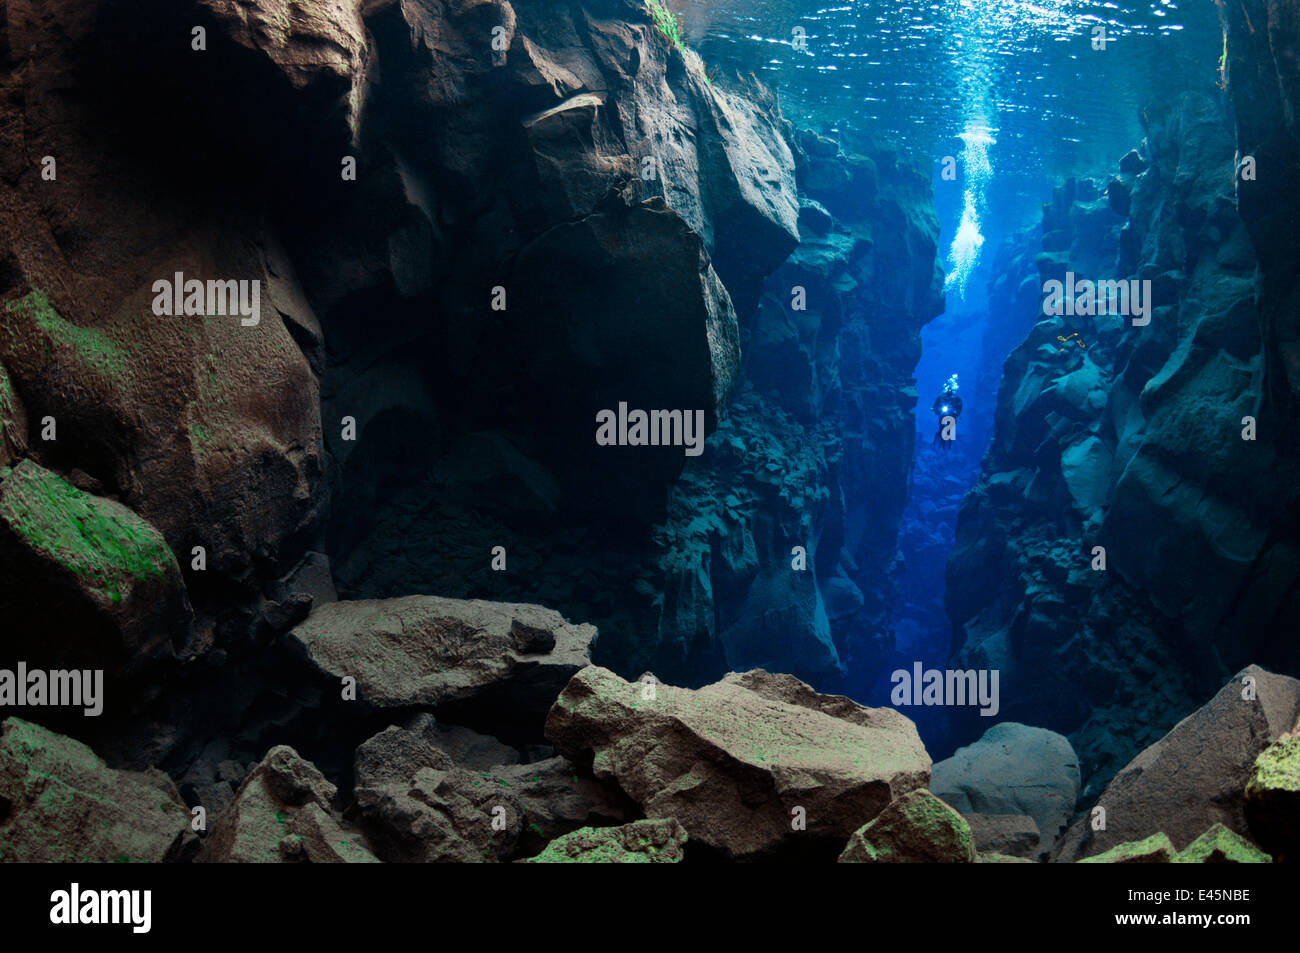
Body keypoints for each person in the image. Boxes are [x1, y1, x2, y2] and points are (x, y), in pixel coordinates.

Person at [932, 374, 962, 450]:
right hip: (943, 414)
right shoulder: (942, 397)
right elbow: (936, 405)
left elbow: (959, 407)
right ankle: (940, 443)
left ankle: (948, 445)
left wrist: (956, 413)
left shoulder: (956, 398)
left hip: (952, 415)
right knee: (941, 428)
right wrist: (936, 411)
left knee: (950, 430)